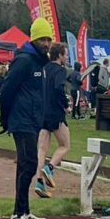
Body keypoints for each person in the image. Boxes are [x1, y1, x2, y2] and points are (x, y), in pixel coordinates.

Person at [0, 17, 53, 219]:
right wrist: (5, 118)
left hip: (32, 120)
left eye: (48, 39)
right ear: (33, 39)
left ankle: (24, 211)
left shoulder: (39, 63)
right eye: (42, 39)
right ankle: (17, 213)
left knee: (25, 165)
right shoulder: (24, 61)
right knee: (29, 164)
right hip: (21, 120)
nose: (46, 43)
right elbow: (7, 90)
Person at [35, 41, 71, 199]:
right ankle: (49, 168)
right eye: (66, 54)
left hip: (42, 111)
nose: (67, 57)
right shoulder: (60, 70)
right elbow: (58, 88)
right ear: (60, 55)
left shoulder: (44, 68)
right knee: (65, 145)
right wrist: (66, 105)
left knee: (42, 149)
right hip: (55, 112)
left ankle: (39, 183)